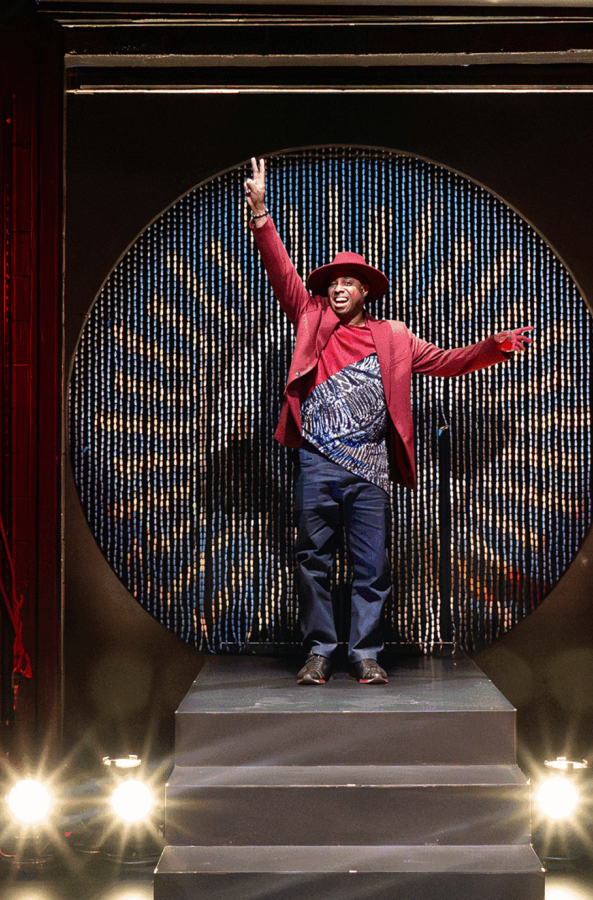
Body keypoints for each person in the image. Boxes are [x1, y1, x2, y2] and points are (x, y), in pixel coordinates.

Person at [243, 157, 534, 686]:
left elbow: (446, 361)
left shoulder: (394, 337)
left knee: (371, 567)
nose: (337, 288)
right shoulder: (310, 317)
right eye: (332, 281)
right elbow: (282, 271)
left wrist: (495, 346)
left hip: (370, 465)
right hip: (317, 459)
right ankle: (319, 652)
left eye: (349, 282)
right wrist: (262, 214)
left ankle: (365, 653)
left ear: (365, 293)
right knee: (312, 561)